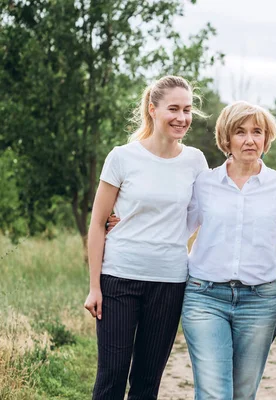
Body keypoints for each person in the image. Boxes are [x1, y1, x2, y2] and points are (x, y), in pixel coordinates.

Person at [83, 75, 209, 399]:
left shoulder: (195, 161)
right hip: (118, 279)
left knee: (147, 381)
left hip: (169, 282)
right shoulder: (122, 157)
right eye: (174, 109)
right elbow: (97, 224)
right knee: (111, 377)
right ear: (153, 110)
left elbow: (201, 213)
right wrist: (94, 287)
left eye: (187, 109)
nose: (182, 118)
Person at [183, 101, 276, 399]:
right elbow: (176, 228)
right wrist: (122, 221)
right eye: (240, 132)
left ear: (266, 138)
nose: (250, 140)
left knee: (242, 394)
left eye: (257, 132)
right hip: (205, 298)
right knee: (214, 393)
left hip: (260, 303)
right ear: (226, 139)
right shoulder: (204, 182)